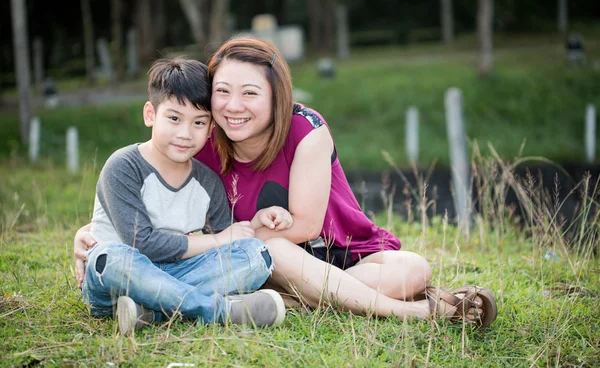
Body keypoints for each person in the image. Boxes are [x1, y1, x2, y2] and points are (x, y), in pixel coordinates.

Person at [76, 39, 497, 327]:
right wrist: (89, 233)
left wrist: (240, 233)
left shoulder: (305, 128)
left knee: (414, 268)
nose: (233, 106)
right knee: (269, 247)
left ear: (277, 94)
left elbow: (307, 227)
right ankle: (416, 313)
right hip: (261, 261)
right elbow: (145, 196)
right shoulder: (201, 137)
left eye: (250, 93)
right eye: (222, 92)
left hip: (337, 256)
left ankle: (294, 302)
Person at [80, 57, 290, 336]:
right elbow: (142, 243)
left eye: (199, 123)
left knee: (255, 255)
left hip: (176, 273)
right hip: (118, 281)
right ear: (150, 115)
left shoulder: (207, 182)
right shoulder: (123, 166)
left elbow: (229, 243)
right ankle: (219, 311)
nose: (185, 134)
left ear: (211, 128)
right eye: (174, 118)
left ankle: (151, 311)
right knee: (112, 256)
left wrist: (258, 222)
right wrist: (216, 240)